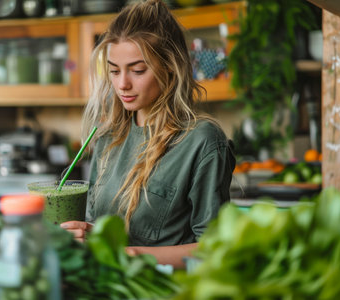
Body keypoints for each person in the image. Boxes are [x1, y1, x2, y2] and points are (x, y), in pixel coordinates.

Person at [60, 0, 235, 268]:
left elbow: (215, 248)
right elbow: (98, 226)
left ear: (169, 66)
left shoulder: (202, 141)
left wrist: (130, 255)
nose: (122, 84)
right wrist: (86, 234)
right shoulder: (108, 137)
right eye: (114, 70)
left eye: (138, 70)